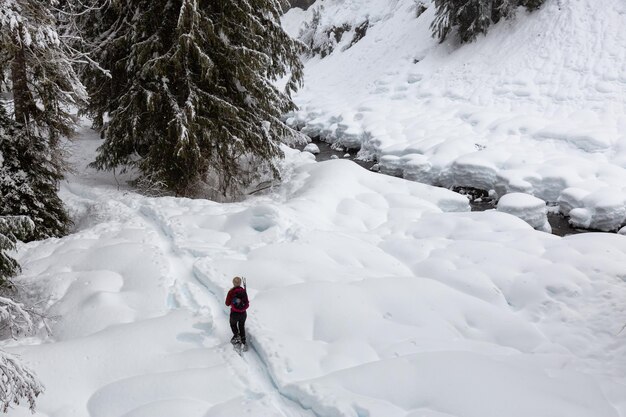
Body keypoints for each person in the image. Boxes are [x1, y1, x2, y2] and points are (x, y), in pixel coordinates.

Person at [225, 276, 249, 351]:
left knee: (233, 324)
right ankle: (243, 341)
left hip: (234, 314)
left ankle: (237, 336)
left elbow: (227, 303)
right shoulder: (244, 291)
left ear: (233, 283)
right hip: (243, 313)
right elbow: (247, 303)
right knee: (241, 326)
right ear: (240, 283)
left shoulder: (231, 292)